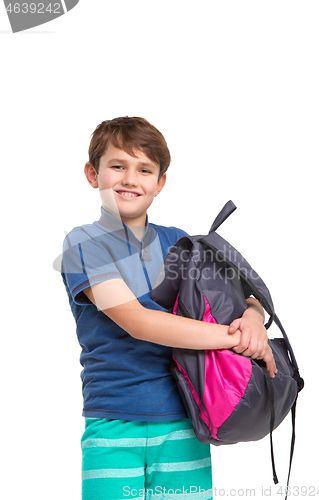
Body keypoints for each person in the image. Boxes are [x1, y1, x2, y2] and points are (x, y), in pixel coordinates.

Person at [60, 116, 277, 500]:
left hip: (186, 420)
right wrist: (235, 338)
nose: (130, 179)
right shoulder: (84, 245)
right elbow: (138, 321)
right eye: (117, 166)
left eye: (144, 169)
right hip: (113, 422)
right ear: (92, 174)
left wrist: (254, 322)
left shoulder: (180, 244)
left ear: (159, 183)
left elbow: (242, 300)